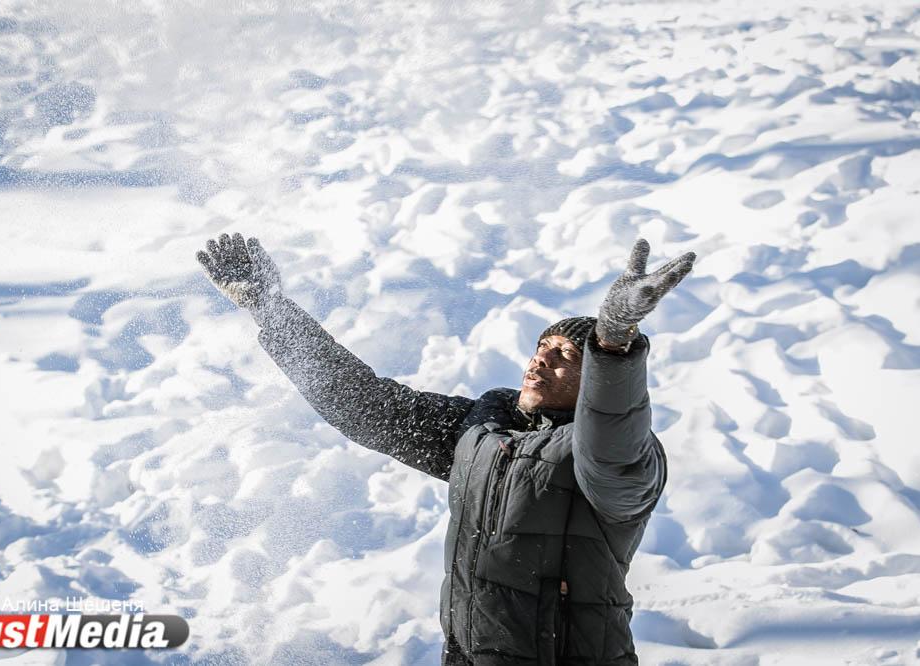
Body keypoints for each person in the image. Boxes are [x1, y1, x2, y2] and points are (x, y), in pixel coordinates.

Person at [196, 234, 695, 665]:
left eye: (563, 356)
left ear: (597, 382)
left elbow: (612, 433)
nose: (540, 361)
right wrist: (270, 310)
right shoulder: (484, 432)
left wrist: (611, 346)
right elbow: (366, 405)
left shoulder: (614, 461)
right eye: (539, 349)